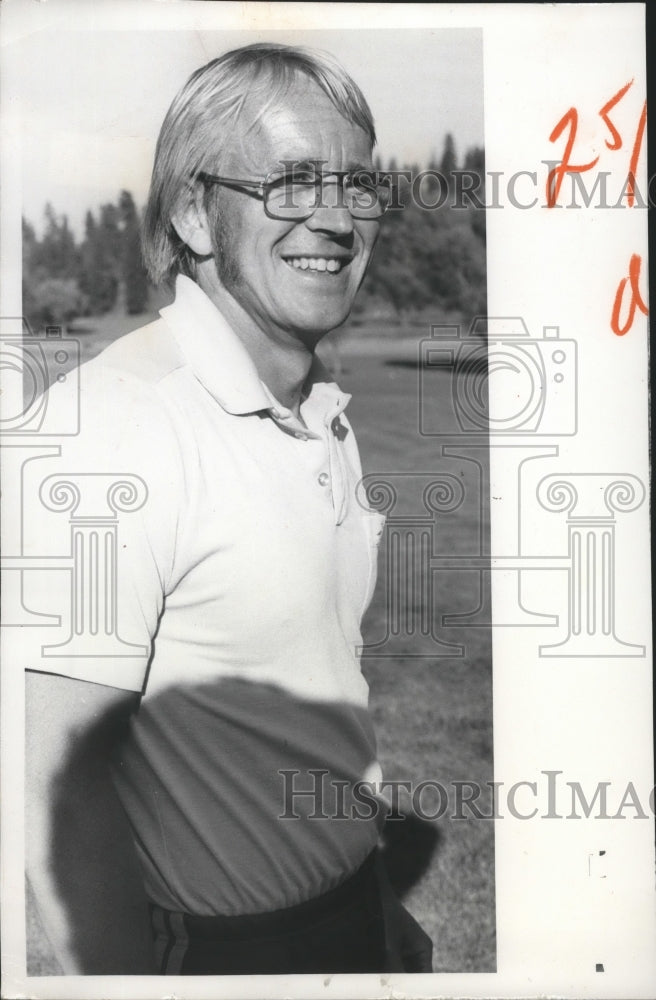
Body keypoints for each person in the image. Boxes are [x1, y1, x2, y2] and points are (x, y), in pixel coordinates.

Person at [25, 42, 433, 976]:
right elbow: (55, 797)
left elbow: (325, 687)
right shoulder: (112, 427)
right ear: (193, 215)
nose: (336, 219)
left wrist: (368, 907)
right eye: (291, 184)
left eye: (359, 187)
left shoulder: (317, 406)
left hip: (344, 922)